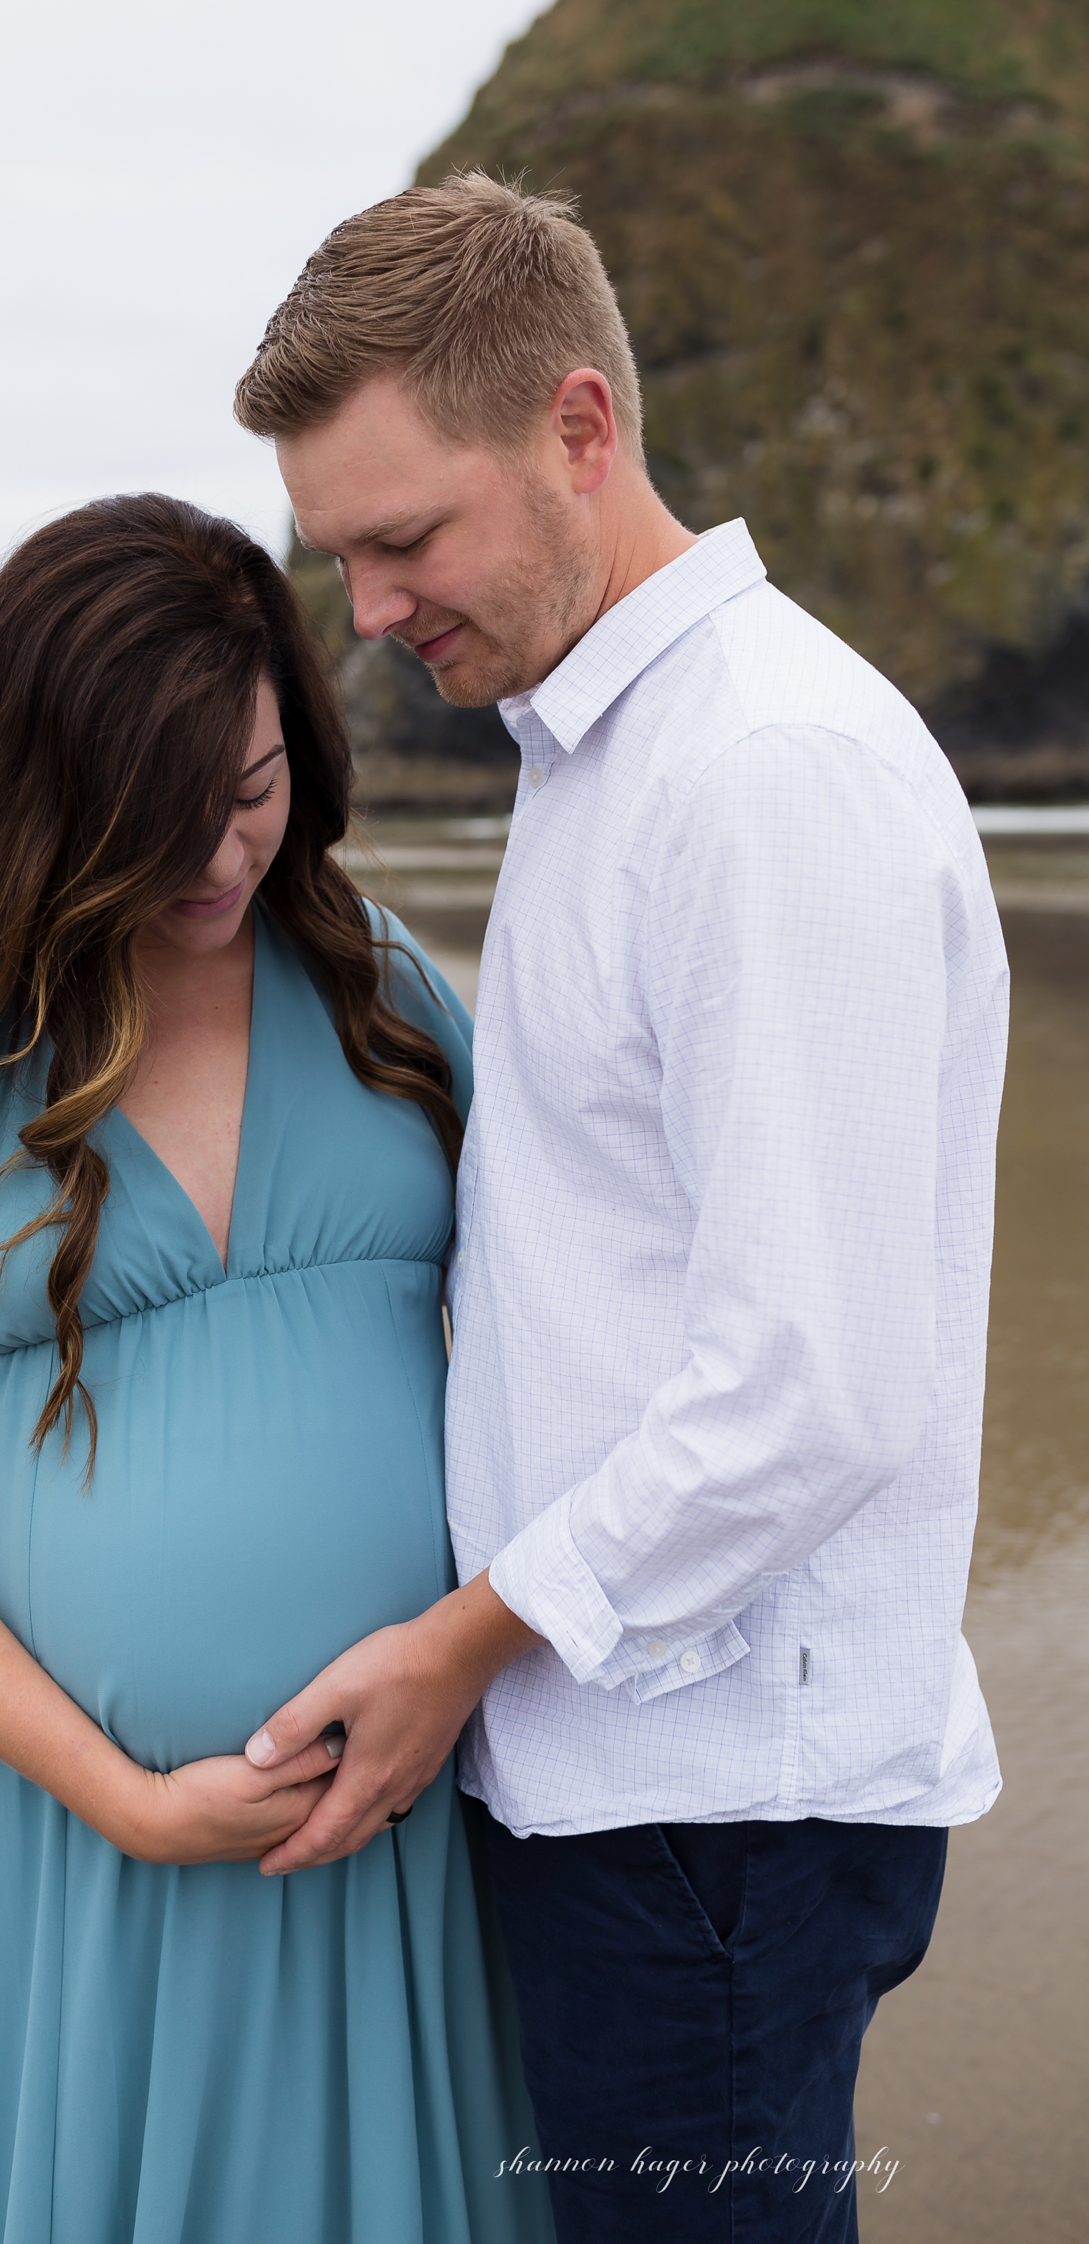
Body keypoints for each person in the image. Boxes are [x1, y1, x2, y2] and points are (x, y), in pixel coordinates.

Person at [232, 173, 1009, 2241]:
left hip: (713, 1807)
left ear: (579, 427)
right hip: (632, 1783)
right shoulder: (598, 748)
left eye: (406, 539)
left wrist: (457, 1647)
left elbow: (813, 1389)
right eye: (340, 557)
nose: (369, 613)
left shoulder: (762, 774)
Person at [0, 494, 554, 2244]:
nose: (217, 852)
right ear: (49, 800)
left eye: (251, 789)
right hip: (80, 1847)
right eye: (153, 815)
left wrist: (478, 1643)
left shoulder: (379, 992)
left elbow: (569, 1333)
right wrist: (126, 1799)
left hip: (393, 1819)